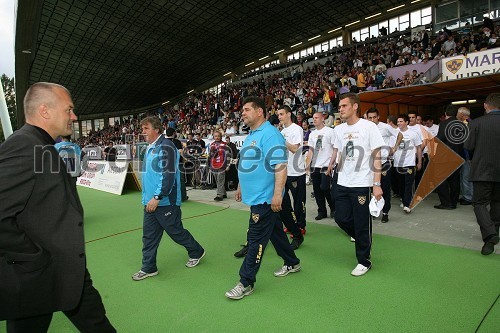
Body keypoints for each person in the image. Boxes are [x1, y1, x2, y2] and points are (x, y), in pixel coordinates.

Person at [0, 82, 115, 332]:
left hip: (65, 270)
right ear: (45, 111)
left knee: (97, 324)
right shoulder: (25, 146)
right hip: (39, 273)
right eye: (69, 109)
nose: (74, 116)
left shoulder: (40, 145)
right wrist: (35, 258)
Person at [225, 97, 300, 300]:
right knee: (275, 232)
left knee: (256, 239)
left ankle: (246, 282)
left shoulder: (270, 134)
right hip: (256, 197)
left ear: (260, 112)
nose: (243, 113)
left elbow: (280, 166)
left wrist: (277, 194)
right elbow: (247, 163)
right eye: (242, 110)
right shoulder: (251, 135)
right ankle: (292, 262)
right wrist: (241, 185)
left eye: (247, 109)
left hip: (266, 198)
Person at [132, 116, 205, 281]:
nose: (142, 132)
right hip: (150, 202)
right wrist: (148, 198)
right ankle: (148, 267)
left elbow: (168, 176)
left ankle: (197, 251)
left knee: (176, 232)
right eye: (142, 129)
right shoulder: (151, 147)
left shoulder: (167, 147)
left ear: (157, 129)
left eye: (146, 128)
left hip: (165, 201)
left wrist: (157, 197)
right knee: (149, 236)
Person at [326, 93, 385, 276]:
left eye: (344, 106)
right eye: (340, 106)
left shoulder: (369, 127)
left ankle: (364, 260)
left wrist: (377, 183)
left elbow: (377, 156)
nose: (340, 109)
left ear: (355, 107)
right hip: (343, 181)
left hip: (362, 183)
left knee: (361, 223)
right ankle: (362, 237)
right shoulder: (338, 130)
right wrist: (333, 168)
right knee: (340, 218)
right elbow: (340, 153)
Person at [464, 93, 500, 255]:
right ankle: (492, 235)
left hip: (482, 170)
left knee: (479, 203)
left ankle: (490, 234)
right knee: (497, 202)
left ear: (486, 105)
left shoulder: (477, 123)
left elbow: (469, 146)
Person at [366, 108, 402, 222]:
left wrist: (394, 148)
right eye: (370, 117)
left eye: (374, 117)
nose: (372, 119)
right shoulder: (365, 127)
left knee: (385, 189)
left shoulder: (385, 127)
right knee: (371, 189)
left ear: (378, 117)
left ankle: (385, 212)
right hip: (369, 164)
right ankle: (373, 210)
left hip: (383, 163)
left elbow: (400, 134)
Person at [277, 105, 306, 249]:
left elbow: (295, 148)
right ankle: (291, 224)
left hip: (296, 172)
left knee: (298, 202)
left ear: (289, 114)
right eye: (278, 115)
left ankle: (301, 226)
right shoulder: (282, 131)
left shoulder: (297, 129)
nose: (279, 117)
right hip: (284, 171)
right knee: (285, 202)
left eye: (281, 114)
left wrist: (282, 140)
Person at [306, 111, 335, 221]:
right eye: (313, 118)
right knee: (317, 190)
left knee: (325, 187)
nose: (314, 119)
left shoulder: (330, 132)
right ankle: (321, 211)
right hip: (315, 166)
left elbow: (335, 148)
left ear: (323, 118)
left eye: (317, 117)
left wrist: (331, 164)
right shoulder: (312, 134)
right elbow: (311, 151)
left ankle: (333, 208)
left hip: (326, 165)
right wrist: (308, 165)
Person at [435, 106, 465, 210]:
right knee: (455, 180)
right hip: (459, 155)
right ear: (456, 113)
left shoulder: (444, 123)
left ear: (445, 113)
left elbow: (439, 139)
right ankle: (453, 202)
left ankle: (446, 202)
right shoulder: (461, 124)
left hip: (446, 156)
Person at [393, 114, 422, 213]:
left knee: (408, 184)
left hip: (409, 162)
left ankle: (407, 204)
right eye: (398, 122)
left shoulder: (413, 134)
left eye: (401, 121)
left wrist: (419, 161)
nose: (399, 123)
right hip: (398, 163)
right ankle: (403, 198)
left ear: (406, 122)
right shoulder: (394, 133)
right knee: (401, 184)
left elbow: (418, 148)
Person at [165, 127, 188, 202]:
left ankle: (169, 196)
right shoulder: (177, 142)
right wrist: (185, 159)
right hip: (178, 163)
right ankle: (183, 197)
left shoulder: (163, 142)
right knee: (180, 180)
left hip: (167, 163)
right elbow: (180, 152)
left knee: (168, 180)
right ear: (174, 133)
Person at [208, 131, 229, 201]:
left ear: (221, 137)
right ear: (213, 137)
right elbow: (210, 156)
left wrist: (228, 165)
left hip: (222, 165)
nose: (217, 137)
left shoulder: (224, 145)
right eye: (215, 136)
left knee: (220, 179)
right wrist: (209, 166)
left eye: (218, 136)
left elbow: (228, 156)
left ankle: (219, 195)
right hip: (213, 165)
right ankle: (224, 193)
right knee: (217, 180)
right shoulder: (212, 145)